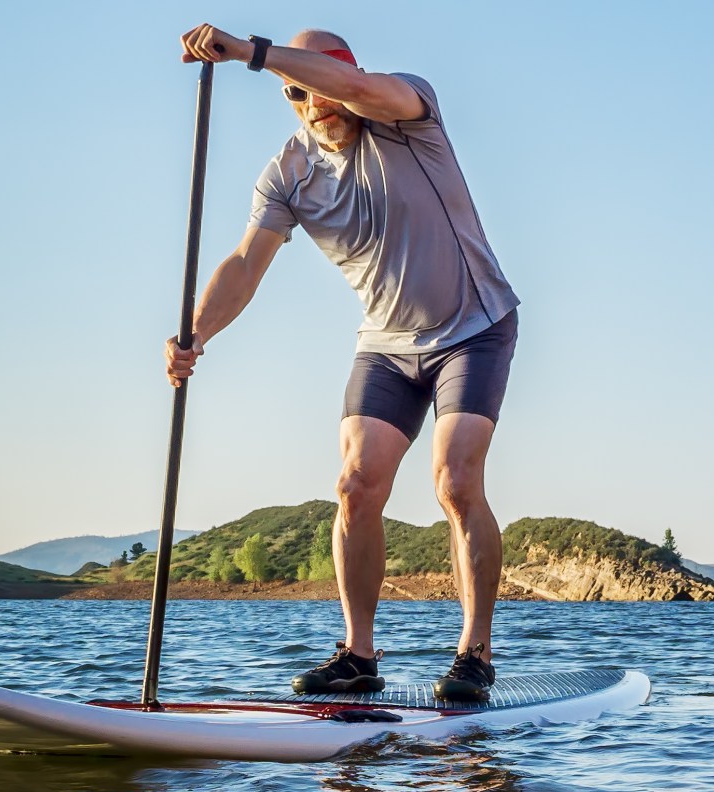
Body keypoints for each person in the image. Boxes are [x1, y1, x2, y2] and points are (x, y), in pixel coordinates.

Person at [168, 25, 519, 703]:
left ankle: (474, 653)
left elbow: (355, 89)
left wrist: (251, 53)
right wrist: (194, 333)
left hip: (474, 328)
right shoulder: (289, 173)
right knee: (356, 485)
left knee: (455, 480)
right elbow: (245, 264)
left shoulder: (404, 110)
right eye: (299, 92)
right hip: (386, 343)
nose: (315, 99)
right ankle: (360, 655)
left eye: (322, 81)